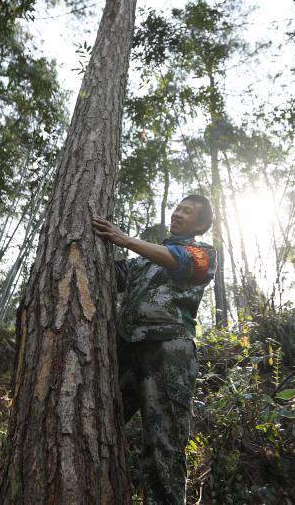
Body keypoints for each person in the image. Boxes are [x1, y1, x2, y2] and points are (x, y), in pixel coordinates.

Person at [91, 194, 217, 504]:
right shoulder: (143, 260)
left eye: (187, 212)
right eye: (177, 208)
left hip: (169, 352)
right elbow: (110, 275)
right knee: (95, 427)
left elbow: (180, 261)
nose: (178, 214)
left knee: (163, 446)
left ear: (200, 224)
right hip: (125, 351)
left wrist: (124, 239)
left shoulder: (203, 252)